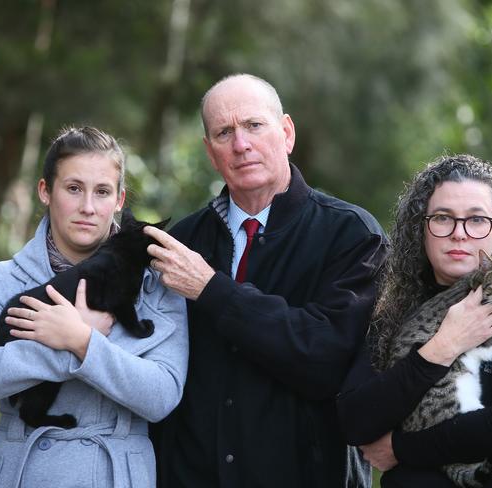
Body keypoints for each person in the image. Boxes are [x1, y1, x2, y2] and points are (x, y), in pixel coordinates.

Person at [143, 73, 388, 487]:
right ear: (209, 151)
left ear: (287, 133)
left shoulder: (351, 234)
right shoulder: (181, 243)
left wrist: (211, 289)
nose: (241, 144)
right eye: (224, 132)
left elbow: (325, 360)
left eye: (254, 126)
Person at [0, 126, 188, 487]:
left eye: (102, 192)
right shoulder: (3, 279)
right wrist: (60, 348)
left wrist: (83, 343)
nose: (88, 207)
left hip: (114, 475)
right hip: (22, 471)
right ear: (46, 191)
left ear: (120, 200)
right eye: (74, 189)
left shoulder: (159, 288)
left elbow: (161, 396)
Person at [337, 154, 492, 487]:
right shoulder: (393, 308)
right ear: (422, 228)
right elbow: (355, 421)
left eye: (476, 220)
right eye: (443, 218)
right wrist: (444, 346)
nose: (459, 234)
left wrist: (401, 448)